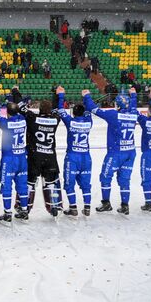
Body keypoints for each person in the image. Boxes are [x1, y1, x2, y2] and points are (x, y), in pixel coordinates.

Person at [83, 87, 138, 215]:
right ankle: (125, 205)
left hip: (116, 153)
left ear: (117, 104)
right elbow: (133, 106)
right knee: (125, 180)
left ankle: (106, 203)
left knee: (105, 177)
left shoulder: (114, 115)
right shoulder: (134, 114)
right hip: (130, 152)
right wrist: (133, 95)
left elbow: (94, 109)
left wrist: (86, 96)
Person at [16, 94, 62, 218]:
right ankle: (54, 206)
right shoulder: (55, 119)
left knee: (29, 183)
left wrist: (16, 92)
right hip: (50, 157)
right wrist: (59, 96)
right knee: (51, 183)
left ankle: (24, 208)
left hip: (34, 156)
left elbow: (21, 106)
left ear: (40, 109)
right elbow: (59, 110)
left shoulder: (32, 118)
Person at [56, 87, 93, 217]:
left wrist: (61, 95)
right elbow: (89, 109)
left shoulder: (70, 122)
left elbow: (60, 110)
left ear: (74, 113)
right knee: (86, 184)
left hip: (73, 157)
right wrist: (86, 97)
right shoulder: (89, 122)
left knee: (69, 184)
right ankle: (87, 207)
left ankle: (73, 208)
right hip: (86, 157)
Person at [0, 87, 28, 224]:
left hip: (9, 159)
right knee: (22, 185)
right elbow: (18, 107)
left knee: (6, 185)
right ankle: (24, 211)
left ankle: (8, 213)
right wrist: (15, 93)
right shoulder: (23, 119)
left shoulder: (6, 124)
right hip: (22, 158)